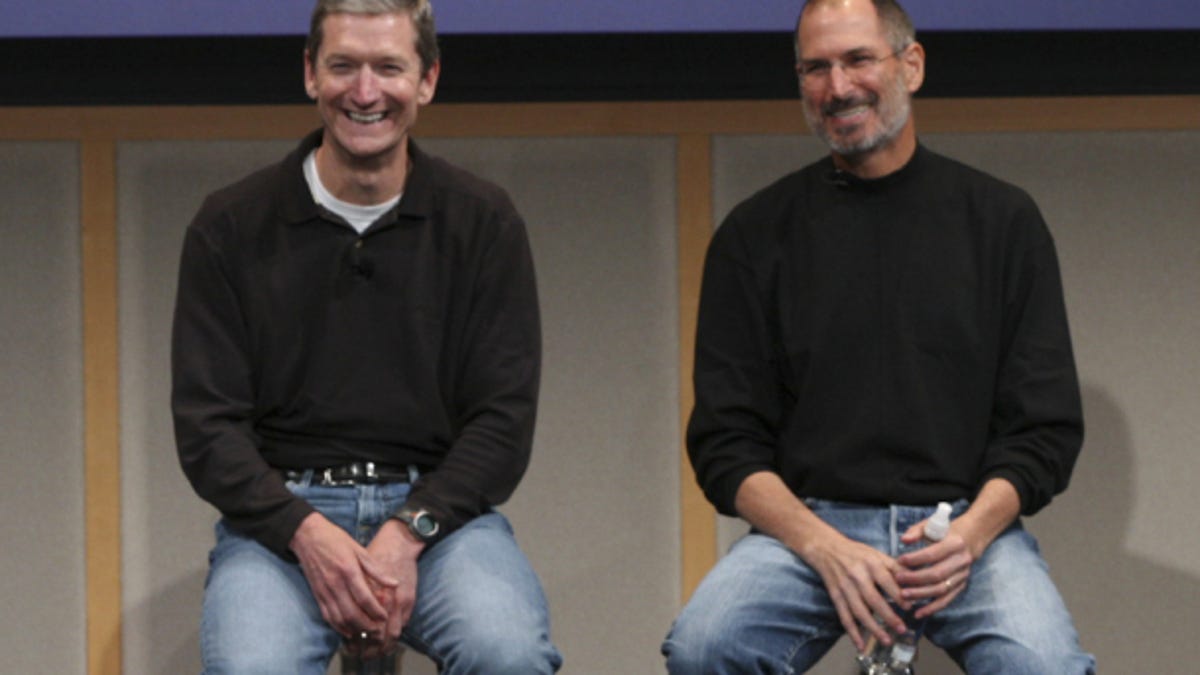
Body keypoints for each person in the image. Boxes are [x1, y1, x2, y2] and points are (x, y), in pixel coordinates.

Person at [661, 1, 1095, 673]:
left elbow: (1044, 428)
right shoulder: (755, 235)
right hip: (811, 531)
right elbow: (725, 443)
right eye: (816, 68)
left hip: (963, 529)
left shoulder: (1002, 221)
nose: (837, 87)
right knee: (705, 647)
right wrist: (822, 546)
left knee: (1044, 663)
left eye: (858, 60)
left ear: (911, 65)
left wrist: (971, 535)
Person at [170, 1, 561, 672]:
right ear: (310, 74)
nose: (365, 91)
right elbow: (208, 429)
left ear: (428, 79)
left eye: (389, 68)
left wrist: (408, 533)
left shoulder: (483, 222)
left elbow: (502, 421)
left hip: (438, 521)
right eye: (343, 66)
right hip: (283, 523)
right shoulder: (230, 225)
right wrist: (306, 533)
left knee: (509, 654)